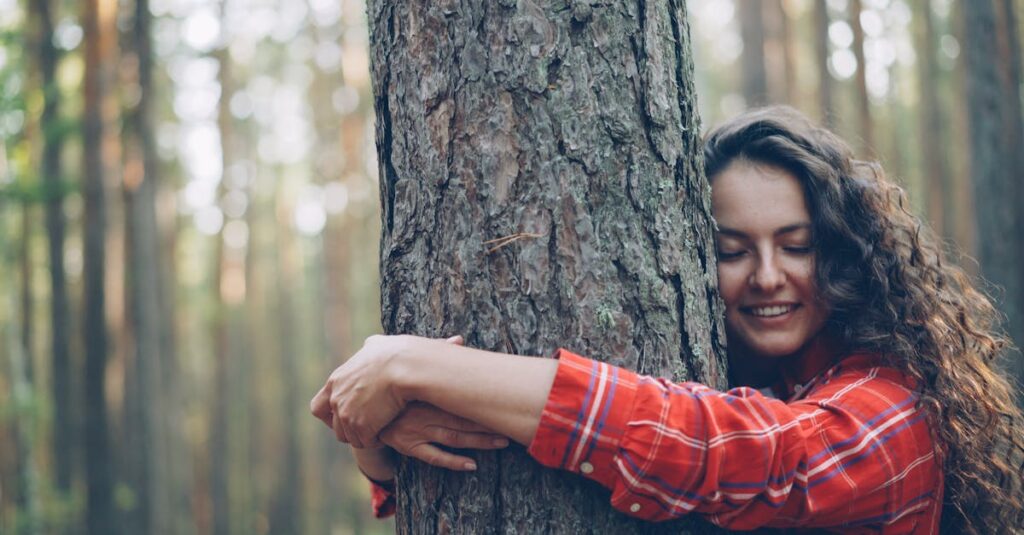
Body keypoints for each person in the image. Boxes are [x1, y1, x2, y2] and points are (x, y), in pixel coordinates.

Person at [310, 106, 1024, 533]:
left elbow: (729, 451)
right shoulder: (760, 380)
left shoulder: (894, 415)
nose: (768, 275)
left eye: (797, 245)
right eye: (732, 250)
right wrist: (380, 445)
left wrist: (416, 366)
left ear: (843, 252)